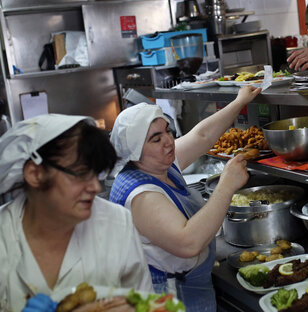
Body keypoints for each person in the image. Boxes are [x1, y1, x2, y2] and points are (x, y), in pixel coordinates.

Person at [0, 114, 153, 311]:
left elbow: (146, 305)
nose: (95, 187)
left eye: (96, 173)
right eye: (81, 173)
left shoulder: (116, 224)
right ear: (35, 174)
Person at [109, 85, 261, 311]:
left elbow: (202, 136)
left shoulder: (157, 164)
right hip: (170, 298)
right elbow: (188, 242)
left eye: (168, 131)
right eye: (155, 139)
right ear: (134, 151)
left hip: (191, 286)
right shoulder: (140, 194)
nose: (168, 141)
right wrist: (226, 185)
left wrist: (239, 102)